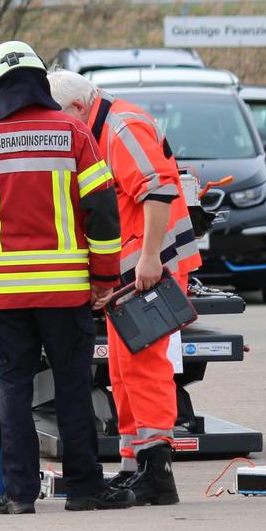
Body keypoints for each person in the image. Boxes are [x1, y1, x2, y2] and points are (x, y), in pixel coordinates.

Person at [0, 40, 134, 514]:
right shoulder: (72, 133)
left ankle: (19, 495)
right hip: (67, 295)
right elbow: (103, 211)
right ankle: (84, 488)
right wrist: (105, 278)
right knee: (72, 391)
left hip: (5, 298)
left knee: (14, 394)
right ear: (40, 82)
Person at [49, 70, 201, 505]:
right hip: (131, 272)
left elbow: (158, 191)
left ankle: (157, 473)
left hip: (153, 267)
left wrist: (152, 258)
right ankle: (136, 466)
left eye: (60, 116)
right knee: (121, 369)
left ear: (78, 107)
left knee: (144, 368)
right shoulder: (99, 127)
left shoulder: (120, 127)